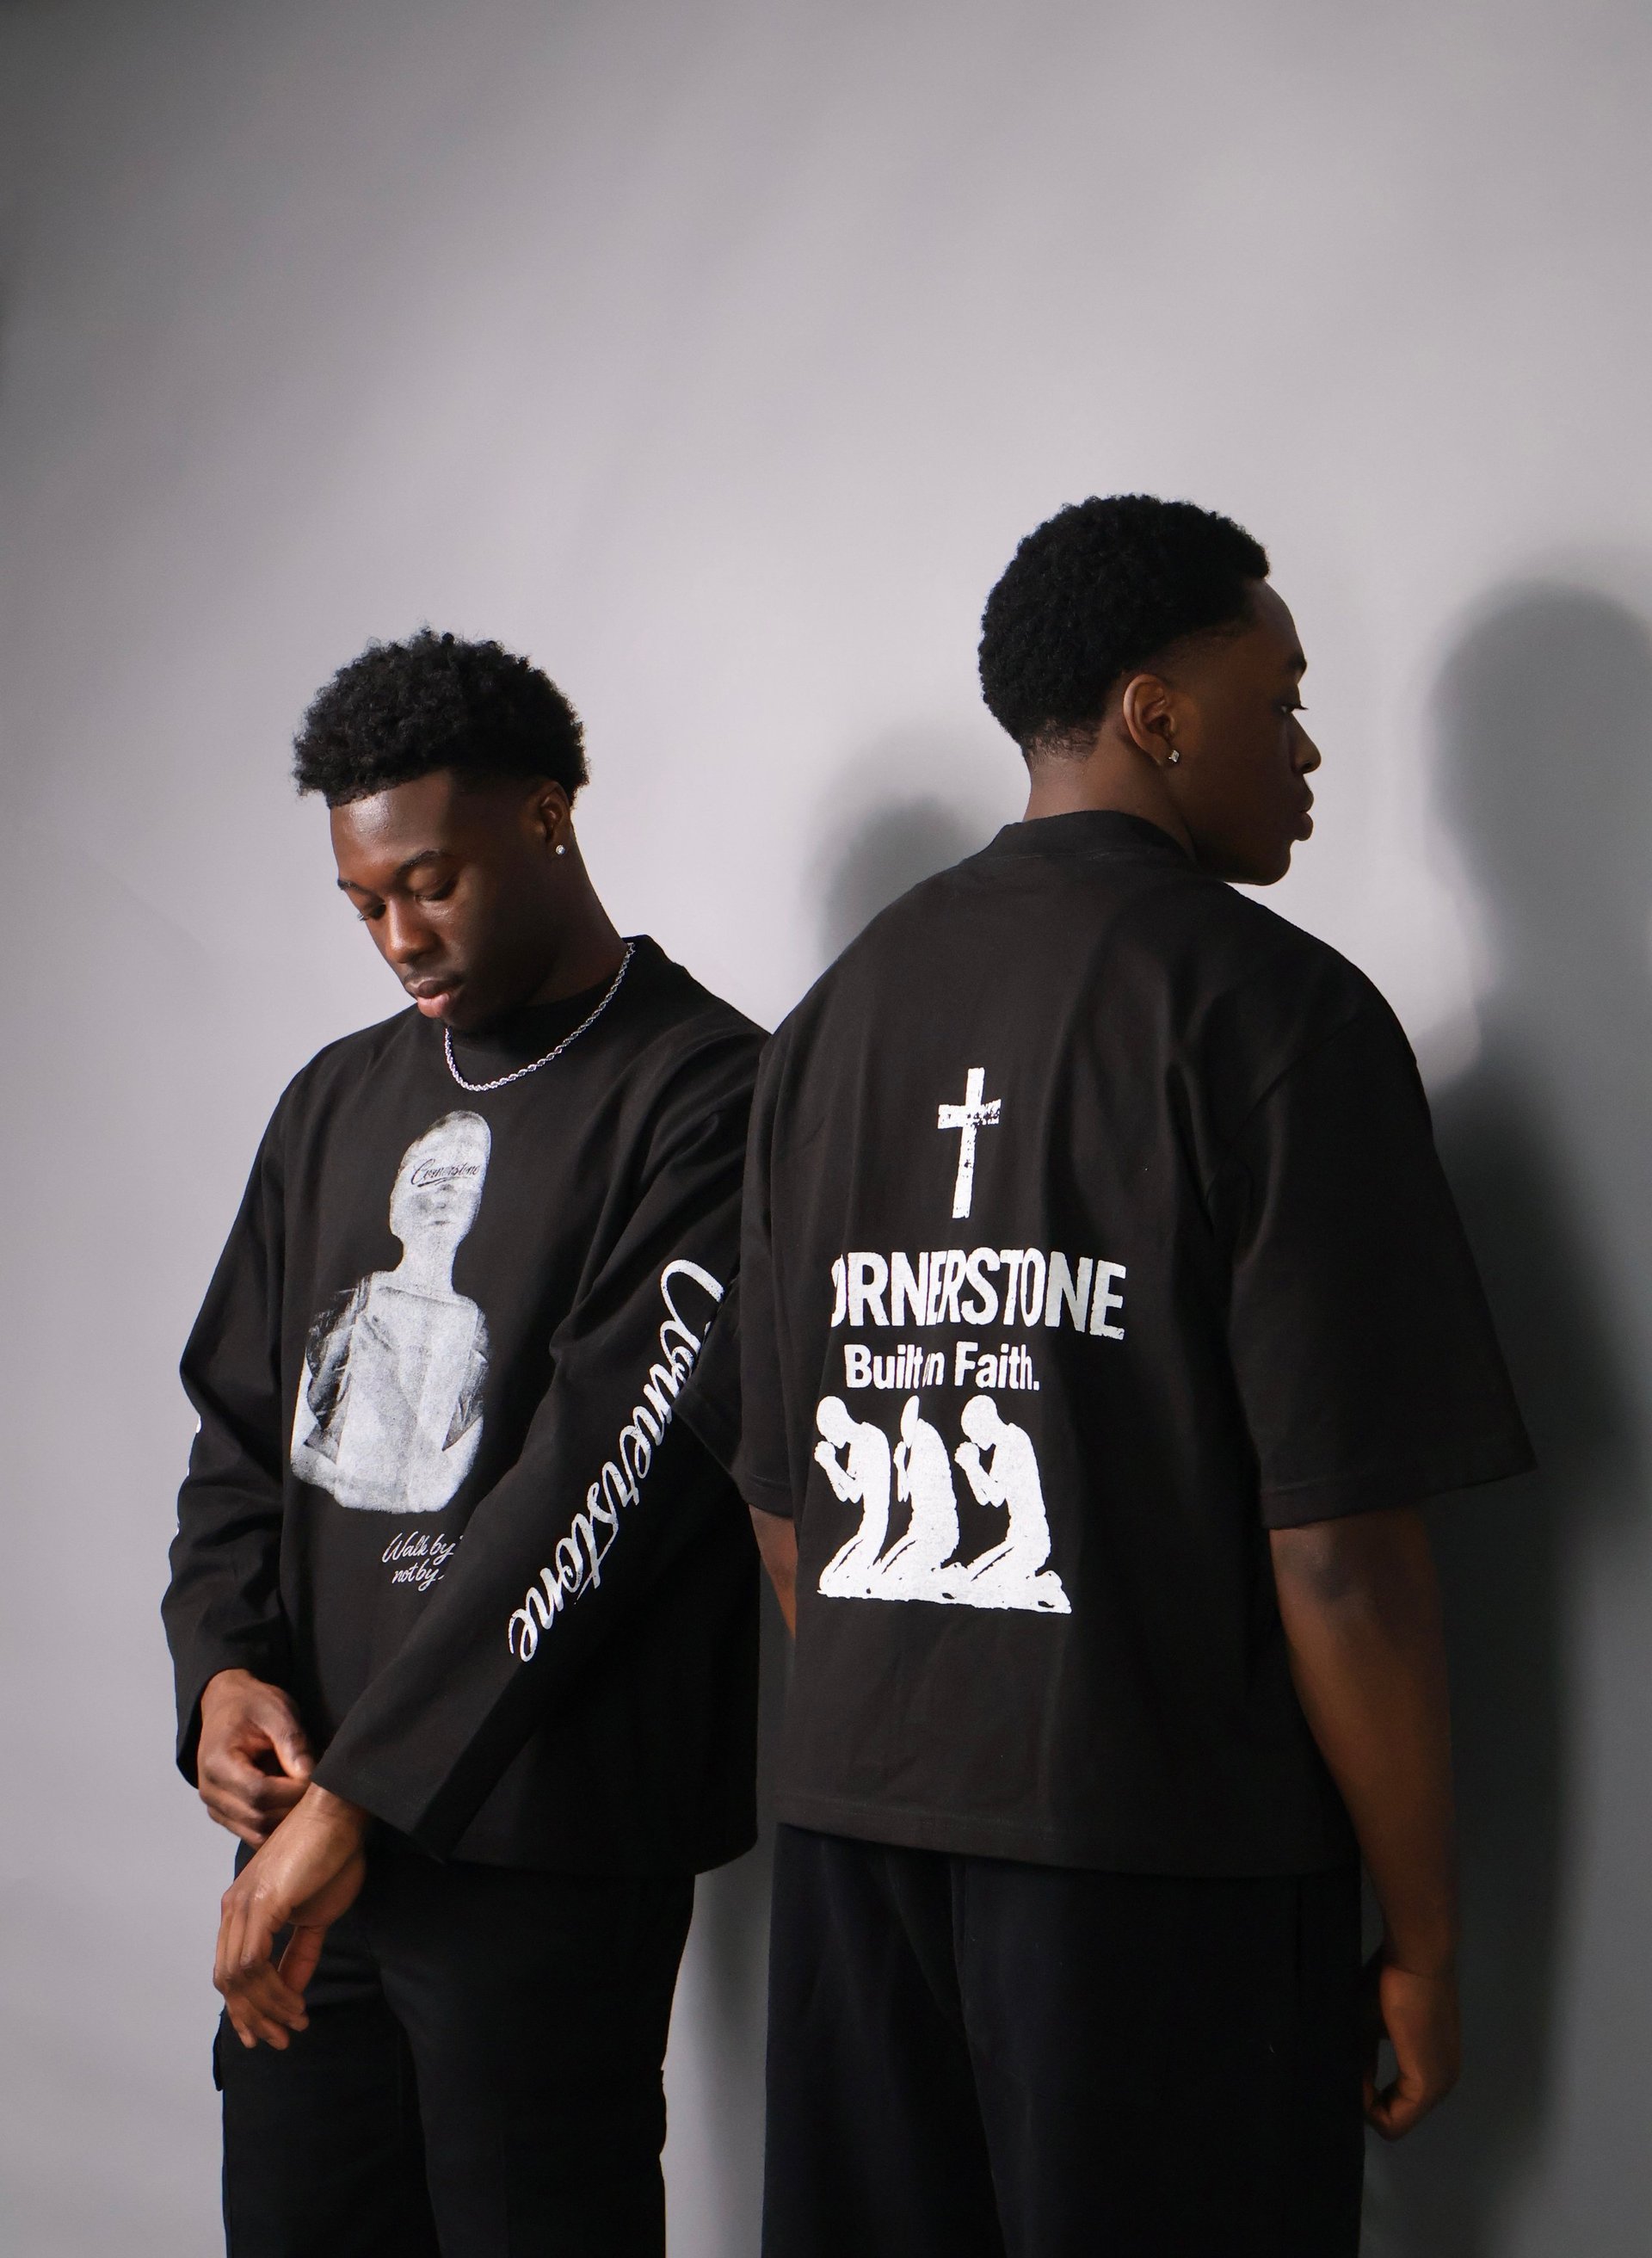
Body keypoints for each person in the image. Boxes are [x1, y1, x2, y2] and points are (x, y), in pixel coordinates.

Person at [728, 496, 1534, 2256]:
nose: (1309, 747)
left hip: (859, 1861)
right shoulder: (1275, 1015)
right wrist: (1429, 1935)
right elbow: (1341, 1553)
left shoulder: (832, 1022)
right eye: (1281, 695)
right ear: (1157, 712)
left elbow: (785, 1516)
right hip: (1158, 1865)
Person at [162, 629, 762, 2258]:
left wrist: (363, 1802)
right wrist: (220, 1670)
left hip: (545, 1857)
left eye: (430, 882)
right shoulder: (335, 1104)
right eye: (364, 903)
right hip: (311, 1854)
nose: (399, 938)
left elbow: (607, 1483)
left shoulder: (709, 1098)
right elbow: (238, 1432)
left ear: (549, 817)